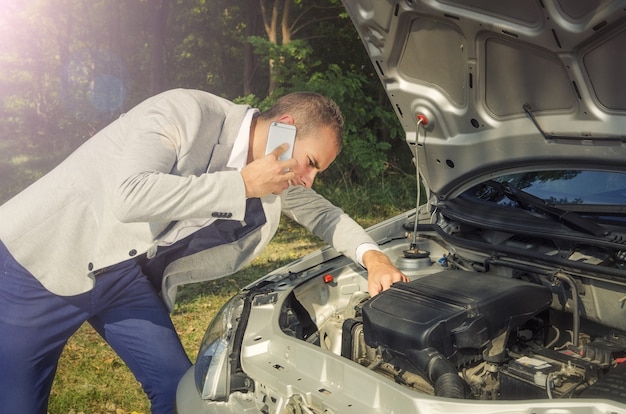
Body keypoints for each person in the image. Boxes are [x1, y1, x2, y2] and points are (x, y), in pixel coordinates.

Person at [0, 89, 408, 413]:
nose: (309, 180)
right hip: (37, 265)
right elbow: (130, 195)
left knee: (178, 392)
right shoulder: (186, 111)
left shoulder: (277, 174)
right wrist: (241, 185)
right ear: (285, 127)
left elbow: (322, 213)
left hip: (119, 276)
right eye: (311, 163)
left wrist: (373, 257)